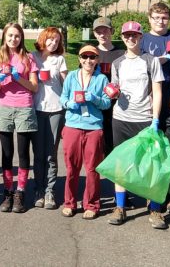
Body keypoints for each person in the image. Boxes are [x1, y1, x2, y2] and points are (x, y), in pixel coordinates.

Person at [108, 21, 167, 229]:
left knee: (151, 165)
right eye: (127, 35)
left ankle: (156, 209)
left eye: (135, 35)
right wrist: (112, 91)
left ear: (141, 37)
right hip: (121, 118)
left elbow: (157, 91)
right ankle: (120, 207)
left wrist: (155, 119)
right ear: (122, 38)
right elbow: (114, 88)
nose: (130, 38)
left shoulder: (150, 61)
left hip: (144, 119)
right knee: (121, 165)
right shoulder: (117, 63)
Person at [140, 2, 170, 214]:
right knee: (154, 147)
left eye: (165, 17)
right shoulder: (143, 39)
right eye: (157, 17)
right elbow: (139, 64)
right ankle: (153, 193)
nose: (161, 21)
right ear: (149, 18)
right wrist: (161, 59)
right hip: (152, 94)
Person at [59, 45, 110, 219]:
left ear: (97, 60)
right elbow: (63, 98)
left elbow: (107, 104)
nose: (88, 60)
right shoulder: (72, 77)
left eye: (92, 57)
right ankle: (70, 203)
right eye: (85, 57)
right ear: (80, 59)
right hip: (72, 125)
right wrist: (69, 104)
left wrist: (94, 99)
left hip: (93, 128)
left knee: (92, 169)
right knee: (72, 168)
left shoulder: (102, 78)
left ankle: (92, 204)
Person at [0, 22, 38, 214]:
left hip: (24, 107)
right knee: (6, 153)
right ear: (4, 37)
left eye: (17, 36)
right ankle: (7, 192)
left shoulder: (28, 58)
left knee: (23, 153)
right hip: (4, 106)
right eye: (10, 36)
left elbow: (34, 87)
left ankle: (20, 192)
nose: (13, 39)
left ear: (21, 38)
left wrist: (17, 77)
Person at [31, 27, 67, 210]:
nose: (54, 43)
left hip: (56, 109)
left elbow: (66, 84)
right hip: (36, 109)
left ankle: (49, 191)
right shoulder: (33, 57)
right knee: (38, 153)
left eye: (57, 40)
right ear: (44, 38)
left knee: (51, 154)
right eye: (51, 39)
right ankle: (38, 189)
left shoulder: (59, 59)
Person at [92, 16, 123, 155]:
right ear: (94, 34)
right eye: (99, 32)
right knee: (97, 143)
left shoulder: (121, 53)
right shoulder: (90, 54)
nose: (102, 34)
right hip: (96, 103)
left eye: (105, 31)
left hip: (116, 104)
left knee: (114, 141)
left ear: (112, 31)